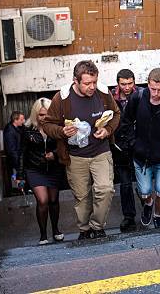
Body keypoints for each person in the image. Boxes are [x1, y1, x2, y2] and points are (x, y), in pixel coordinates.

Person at [43, 60, 120, 240]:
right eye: (87, 83)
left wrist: (107, 130)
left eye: (94, 81)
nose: (91, 87)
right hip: (75, 156)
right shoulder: (61, 98)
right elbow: (47, 124)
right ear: (75, 81)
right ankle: (85, 230)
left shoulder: (102, 92)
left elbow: (116, 114)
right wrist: (62, 131)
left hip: (101, 151)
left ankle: (97, 226)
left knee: (105, 189)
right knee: (82, 196)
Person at [118, 68, 160, 229]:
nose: (156, 93)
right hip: (141, 156)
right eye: (153, 89)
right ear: (148, 84)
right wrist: (133, 143)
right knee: (145, 191)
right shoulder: (137, 97)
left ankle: (158, 215)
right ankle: (148, 203)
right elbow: (126, 122)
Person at [20, 98, 66, 245]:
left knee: (53, 200)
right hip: (34, 169)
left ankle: (56, 230)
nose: (44, 118)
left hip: (53, 169)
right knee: (43, 200)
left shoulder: (57, 127)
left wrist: (55, 154)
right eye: (40, 115)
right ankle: (43, 235)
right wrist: (20, 174)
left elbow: (64, 146)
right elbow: (21, 153)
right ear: (35, 114)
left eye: (46, 114)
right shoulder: (27, 129)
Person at [111, 69, 138, 232]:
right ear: (118, 84)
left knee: (143, 183)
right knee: (125, 184)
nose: (127, 87)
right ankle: (129, 217)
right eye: (123, 84)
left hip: (137, 145)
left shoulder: (141, 94)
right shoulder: (111, 98)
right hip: (120, 146)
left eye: (129, 83)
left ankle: (147, 209)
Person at [4, 111, 25, 189]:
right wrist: (18, 165)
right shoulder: (10, 131)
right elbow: (12, 150)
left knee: (19, 179)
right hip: (14, 162)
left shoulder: (16, 128)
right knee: (17, 180)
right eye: (21, 119)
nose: (23, 121)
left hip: (17, 159)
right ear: (15, 120)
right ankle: (18, 191)